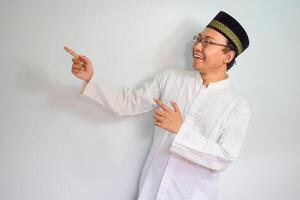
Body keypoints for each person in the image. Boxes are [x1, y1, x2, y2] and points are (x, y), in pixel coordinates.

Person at [64, 11, 251, 200]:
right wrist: (91, 79)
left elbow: (223, 157)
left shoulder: (237, 106)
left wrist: (181, 130)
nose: (197, 46)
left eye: (208, 42)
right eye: (198, 39)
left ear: (228, 56)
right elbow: (127, 103)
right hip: (151, 191)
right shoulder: (171, 79)